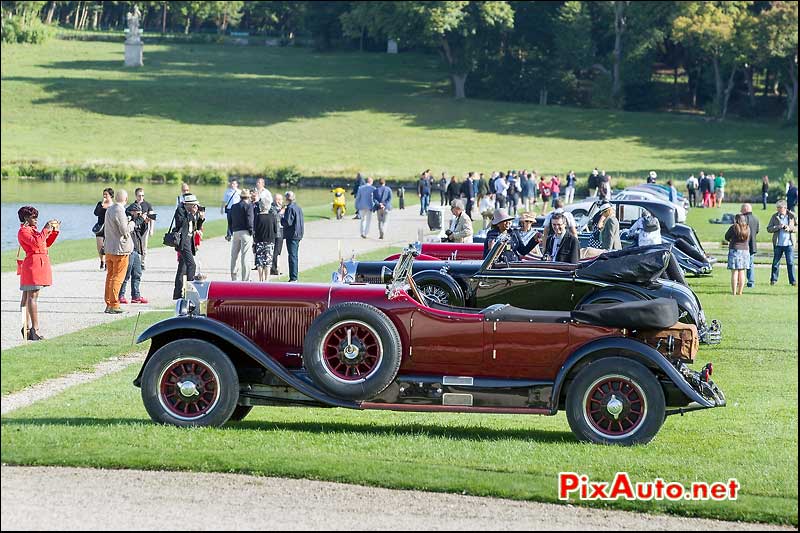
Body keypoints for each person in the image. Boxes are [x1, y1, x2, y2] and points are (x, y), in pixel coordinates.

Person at [17, 206, 59, 341]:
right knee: (31, 298)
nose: (36, 219)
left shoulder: (33, 230)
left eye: (36, 216)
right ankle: (34, 329)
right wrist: (45, 229)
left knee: (27, 298)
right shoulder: (23, 231)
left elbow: (45, 244)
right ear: (26, 218)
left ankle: (26, 327)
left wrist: (53, 231)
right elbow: (36, 243)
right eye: (33, 217)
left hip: (37, 265)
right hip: (32, 267)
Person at [103, 189, 134, 314]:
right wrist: (132, 223)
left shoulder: (110, 209)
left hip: (110, 248)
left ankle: (109, 303)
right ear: (126, 199)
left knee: (110, 276)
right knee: (118, 277)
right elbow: (124, 231)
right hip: (120, 249)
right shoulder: (119, 210)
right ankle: (114, 304)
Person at [171, 194, 205, 299]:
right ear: (189, 204)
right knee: (192, 265)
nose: (196, 207)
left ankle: (177, 295)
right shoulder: (180, 210)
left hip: (189, 240)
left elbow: (195, 227)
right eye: (194, 205)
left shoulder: (191, 212)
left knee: (182, 268)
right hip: (183, 241)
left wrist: (200, 219)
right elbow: (182, 224)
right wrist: (192, 214)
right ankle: (190, 291)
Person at [118, 203, 150, 304]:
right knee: (126, 274)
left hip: (135, 250)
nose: (139, 214)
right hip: (128, 250)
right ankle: (120, 295)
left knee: (137, 273)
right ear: (132, 211)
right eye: (138, 212)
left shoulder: (136, 220)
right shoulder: (127, 218)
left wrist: (145, 223)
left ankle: (136, 296)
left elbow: (140, 232)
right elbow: (129, 228)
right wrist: (139, 219)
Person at [767, 200, 796, 286]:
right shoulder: (774, 216)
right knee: (775, 263)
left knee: (790, 263)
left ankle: (793, 281)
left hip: (789, 244)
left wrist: (790, 228)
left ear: (785, 208)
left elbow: (796, 227)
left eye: (779, 208)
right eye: (777, 208)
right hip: (778, 244)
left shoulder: (792, 216)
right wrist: (778, 227)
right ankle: (773, 280)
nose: (778, 209)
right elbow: (769, 228)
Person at [229, 188, 254, 281]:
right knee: (245, 255)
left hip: (236, 232)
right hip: (245, 232)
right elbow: (249, 220)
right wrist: (251, 232)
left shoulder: (234, 206)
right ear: (248, 197)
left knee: (234, 255)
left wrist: (231, 230)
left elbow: (230, 220)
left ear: (240, 197)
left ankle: (234, 277)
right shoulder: (249, 206)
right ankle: (245, 278)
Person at [253, 198, 279, 282]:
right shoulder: (272, 216)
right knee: (268, 260)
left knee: (259, 260)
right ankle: (267, 279)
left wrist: (255, 240)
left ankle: (261, 278)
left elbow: (255, 230)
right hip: (270, 240)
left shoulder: (258, 217)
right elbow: (276, 229)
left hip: (259, 240)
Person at [725, 214, 751, 295]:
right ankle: (740, 292)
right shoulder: (747, 227)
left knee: (734, 272)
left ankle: (734, 292)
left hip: (735, 250)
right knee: (742, 272)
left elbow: (726, 236)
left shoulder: (734, 227)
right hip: (745, 251)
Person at [130, 187, 155, 270]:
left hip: (145, 229)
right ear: (136, 196)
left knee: (144, 246)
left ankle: (142, 263)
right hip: (135, 229)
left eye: (142, 195)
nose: (141, 197)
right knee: (134, 246)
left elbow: (152, 217)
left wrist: (151, 229)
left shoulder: (147, 205)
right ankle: (134, 263)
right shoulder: (132, 206)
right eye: (139, 196)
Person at [282, 191, 304, 282]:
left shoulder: (290, 208)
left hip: (292, 235)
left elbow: (288, 222)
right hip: (298, 233)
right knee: (294, 255)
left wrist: (280, 217)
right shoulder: (298, 207)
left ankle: (293, 277)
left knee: (292, 256)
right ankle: (294, 276)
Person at [739, 203, 760, 288]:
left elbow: (738, 231)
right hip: (752, 244)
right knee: (750, 264)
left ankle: (740, 281)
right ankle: (751, 282)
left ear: (745, 209)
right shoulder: (756, 219)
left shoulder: (743, 219)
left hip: (743, 244)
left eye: (742, 209)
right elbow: (757, 231)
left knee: (740, 265)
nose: (740, 211)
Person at [93, 187, 113, 270]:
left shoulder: (114, 206)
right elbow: (96, 213)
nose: (104, 196)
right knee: (100, 245)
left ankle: (107, 263)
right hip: (100, 227)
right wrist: (102, 204)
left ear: (111, 196)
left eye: (106, 195)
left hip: (110, 227)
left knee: (107, 245)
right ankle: (102, 261)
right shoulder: (100, 204)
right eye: (103, 194)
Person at [270, 193, 284, 276]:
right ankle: (273, 269)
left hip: (281, 230)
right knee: (275, 250)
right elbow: (275, 218)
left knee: (278, 250)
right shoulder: (272, 207)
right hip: (276, 231)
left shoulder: (281, 207)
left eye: (281, 199)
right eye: (279, 199)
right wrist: (281, 212)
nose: (281, 201)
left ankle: (276, 267)